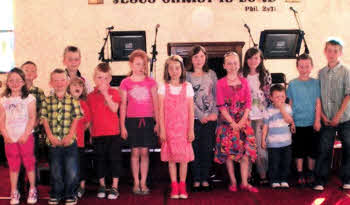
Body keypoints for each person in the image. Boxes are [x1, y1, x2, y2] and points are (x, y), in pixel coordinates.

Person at [215, 51, 258, 193]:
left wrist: (242, 121)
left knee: (245, 152)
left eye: (235, 63)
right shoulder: (220, 83)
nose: (232, 66)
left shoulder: (244, 81)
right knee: (228, 153)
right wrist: (233, 123)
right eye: (229, 63)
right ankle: (233, 181)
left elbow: (248, 103)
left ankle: (244, 182)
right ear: (224, 66)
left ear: (239, 65)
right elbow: (221, 106)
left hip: (243, 121)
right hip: (227, 122)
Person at [120, 49, 158, 195]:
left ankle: (144, 182)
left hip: (148, 121)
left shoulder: (151, 82)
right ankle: (136, 182)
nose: (140, 67)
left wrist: (158, 123)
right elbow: (123, 105)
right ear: (131, 65)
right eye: (137, 64)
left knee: (145, 152)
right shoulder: (125, 83)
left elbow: (156, 104)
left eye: (142, 64)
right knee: (135, 152)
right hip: (132, 122)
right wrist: (122, 125)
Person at [313, 38, 350, 191]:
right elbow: (318, 97)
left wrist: (338, 116)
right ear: (325, 52)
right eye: (329, 50)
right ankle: (320, 180)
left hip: (344, 118)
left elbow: (348, 95)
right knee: (324, 148)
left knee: (348, 145)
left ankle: (347, 178)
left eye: (335, 51)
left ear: (340, 53)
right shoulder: (321, 73)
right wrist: (322, 116)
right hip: (326, 118)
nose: (332, 53)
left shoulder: (346, 71)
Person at [41, 69, 82, 205]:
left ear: (68, 82)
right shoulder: (47, 101)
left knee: (72, 171)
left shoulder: (73, 101)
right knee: (55, 170)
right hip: (53, 142)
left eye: (62, 80)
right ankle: (56, 194)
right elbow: (44, 119)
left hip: (69, 143)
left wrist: (70, 135)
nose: (59, 83)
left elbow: (76, 119)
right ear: (51, 83)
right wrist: (50, 136)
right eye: (56, 80)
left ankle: (70, 194)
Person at [158, 55, 195, 199]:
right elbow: (161, 111)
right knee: (172, 159)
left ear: (182, 69)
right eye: (171, 68)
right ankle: (174, 186)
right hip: (169, 129)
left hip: (183, 129)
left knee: (184, 159)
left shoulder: (188, 87)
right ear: (167, 70)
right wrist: (162, 129)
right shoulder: (163, 88)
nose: (174, 71)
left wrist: (191, 129)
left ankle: (182, 185)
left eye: (177, 68)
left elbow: (191, 111)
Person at [0, 68, 37, 204]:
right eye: (11, 80)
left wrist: (26, 134)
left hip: (25, 137)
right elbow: (1, 120)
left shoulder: (29, 98)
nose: (14, 83)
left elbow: (32, 118)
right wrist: (5, 135)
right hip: (10, 138)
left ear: (23, 82)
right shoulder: (4, 100)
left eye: (18, 80)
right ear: (7, 83)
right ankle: (14, 191)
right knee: (13, 166)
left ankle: (33, 188)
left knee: (29, 164)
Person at [87, 63, 122, 199]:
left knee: (114, 160)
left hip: (113, 133)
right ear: (94, 79)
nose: (103, 81)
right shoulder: (90, 96)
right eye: (99, 78)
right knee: (99, 160)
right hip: (97, 134)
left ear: (110, 79)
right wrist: (90, 133)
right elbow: (90, 118)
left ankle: (114, 186)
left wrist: (106, 94)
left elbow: (114, 109)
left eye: (106, 78)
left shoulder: (114, 92)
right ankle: (102, 185)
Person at [186, 45, 218, 192]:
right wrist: (200, 116)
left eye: (201, 56)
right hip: (193, 120)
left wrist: (214, 114)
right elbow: (187, 99)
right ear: (191, 59)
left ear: (205, 58)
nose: (199, 60)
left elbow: (217, 95)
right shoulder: (186, 75)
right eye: (195, 57)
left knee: (207, 149)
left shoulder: (211, 74)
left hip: (210, 118)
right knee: (194, 149)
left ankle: (205, 178)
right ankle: (196, 178)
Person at [286, 54, 321, 186]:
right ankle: (300, 173)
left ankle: (310, 172)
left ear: (311, 67)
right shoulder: (293, 84)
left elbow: (318, 103)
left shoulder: (316, 83)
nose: (304, 69)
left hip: (312, 123)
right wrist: (292, 122)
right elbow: (289, 104)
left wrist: (317, 120)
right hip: (298, 123)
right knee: (299, 150)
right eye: (301, 66)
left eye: (307, 66)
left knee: (312, 150)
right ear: (297, 67)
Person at [241, 47, 271, 185]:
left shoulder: (265, 74)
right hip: (246, 117)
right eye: (250, 58)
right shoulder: (241, 75)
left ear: (260, 60)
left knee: (260, 147)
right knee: (247, 147)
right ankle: (248, 175)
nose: (253, 61)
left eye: (256, 58)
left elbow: (268, 97)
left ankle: (263, 173)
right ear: (246, 59)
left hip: (260, 116)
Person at [18, 61, 46, 194]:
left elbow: (43, 111)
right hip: (17, 133)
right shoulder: (16, 90)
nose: (29, 72)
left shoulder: (39, 92)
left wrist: (35, 123)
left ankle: (32, 188)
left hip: (32, 133)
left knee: (31, 161)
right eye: (26, 70)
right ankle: (18, 189)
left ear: (36, 75)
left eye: (32, 70)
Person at [262, 84, 294, 189]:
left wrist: (282, 109)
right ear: (271, 98)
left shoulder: (288, 107)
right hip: (273, 143)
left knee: (286, 162)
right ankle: (274, 180)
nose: (280, 99)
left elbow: (289, 120)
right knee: (274, 162)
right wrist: (263, 140)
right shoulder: (268, 110)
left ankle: (284, 179)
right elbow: (265, 126)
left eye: (282, 96)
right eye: (277, 97)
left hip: (286, 142)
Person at [67, 77, 91, 198]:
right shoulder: (65, 103)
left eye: (80, 86)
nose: (77, 87)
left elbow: (87, 122)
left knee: (80, 164)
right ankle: (70, 186)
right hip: (67, 142)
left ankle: (81, 186)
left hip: (79, 141)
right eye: (74, 85)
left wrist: (80, 131)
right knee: (69, 165)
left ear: (83, 89)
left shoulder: (83, 104)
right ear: (69, 88)